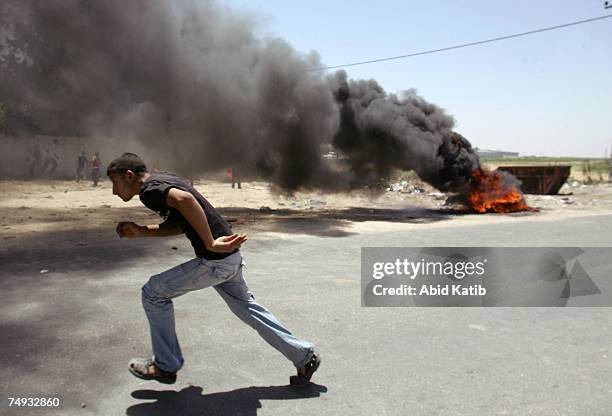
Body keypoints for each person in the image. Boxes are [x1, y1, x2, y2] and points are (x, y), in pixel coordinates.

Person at [106, 153, 320, 386]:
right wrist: (143, 231)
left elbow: (185, 200)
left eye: (115, 183)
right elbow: (180, 222)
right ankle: (304, 356)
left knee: (153, 293)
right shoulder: (162, 178)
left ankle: (166, 365)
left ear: (129, 176)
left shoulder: (149, 191)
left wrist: (209, 243)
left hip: (216, 261)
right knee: (248, 310)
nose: (115, 191)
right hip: (229, 257)